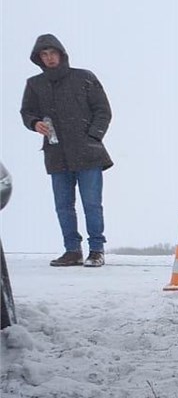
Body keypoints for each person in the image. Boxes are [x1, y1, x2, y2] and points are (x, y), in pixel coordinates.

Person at [19, 34, 113, 268]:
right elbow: (27, 112)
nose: (49, 58)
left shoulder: (84, 78)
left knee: (91, 203)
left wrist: (92, 137)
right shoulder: (35, 84)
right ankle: (72, 251)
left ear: (61, 54)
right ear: (39, 58)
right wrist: (34, 123)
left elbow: (103, 111)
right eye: (44, 54)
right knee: (63, 205)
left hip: (88, 154)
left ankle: (96, 250)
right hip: (56, 154)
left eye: (52, 53)